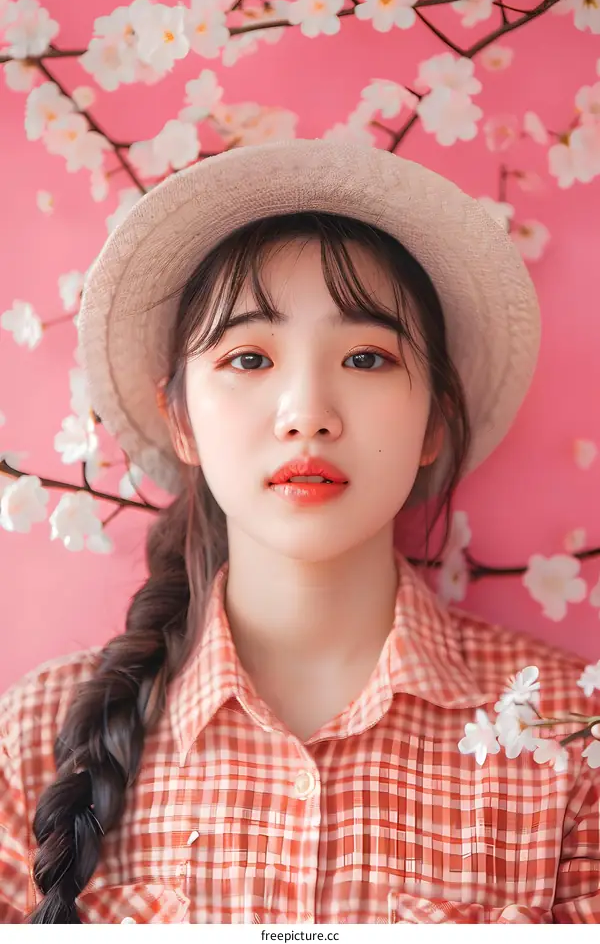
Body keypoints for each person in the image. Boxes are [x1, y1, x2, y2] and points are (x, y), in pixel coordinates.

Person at [0, 139, 598, 925]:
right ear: (180, 417)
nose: (307, 411)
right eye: (249, 357)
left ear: (434, 423)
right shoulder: (37, 738)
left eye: (366, 356)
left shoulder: (568, 742)